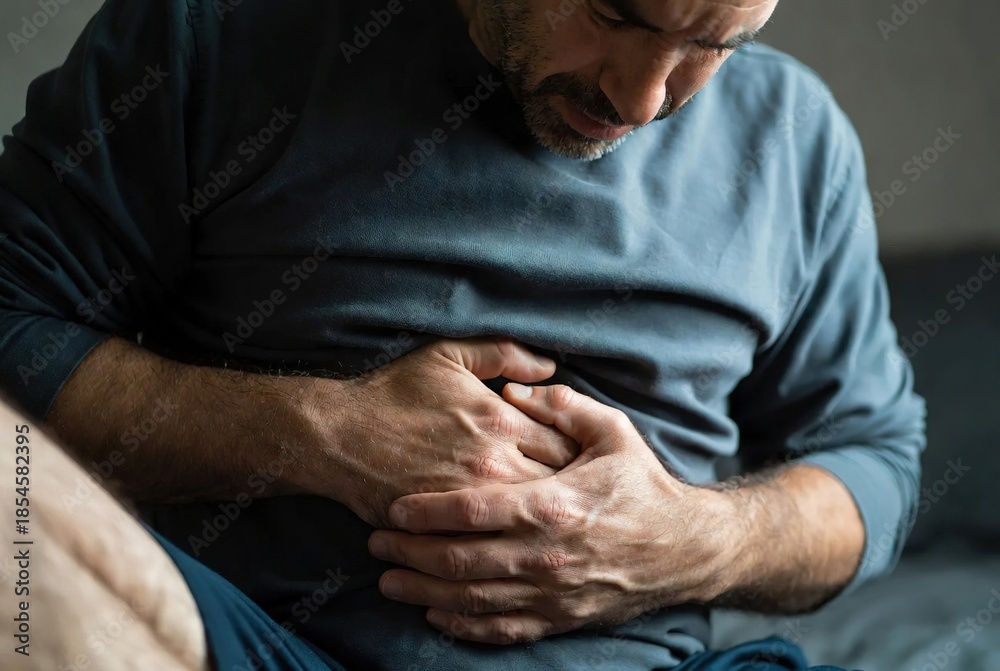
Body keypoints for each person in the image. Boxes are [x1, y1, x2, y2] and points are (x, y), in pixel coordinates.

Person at [0, 0, 925, 668]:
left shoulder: (794, 140)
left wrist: (690, 539)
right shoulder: (211, 35)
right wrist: (318, 434)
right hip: (255, 646)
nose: (642, 99)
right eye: (611, 13)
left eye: (714, 45)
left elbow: (874, 461)